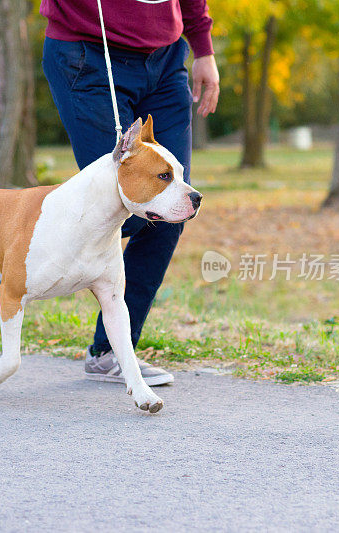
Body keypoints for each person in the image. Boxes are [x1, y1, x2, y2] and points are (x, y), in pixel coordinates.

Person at [40, 0, 219, 386]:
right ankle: (14, 254)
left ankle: (110, 352)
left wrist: (203, 47)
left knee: (171, 206)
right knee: (119, 207)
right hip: (88, 54)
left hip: (166, 60)